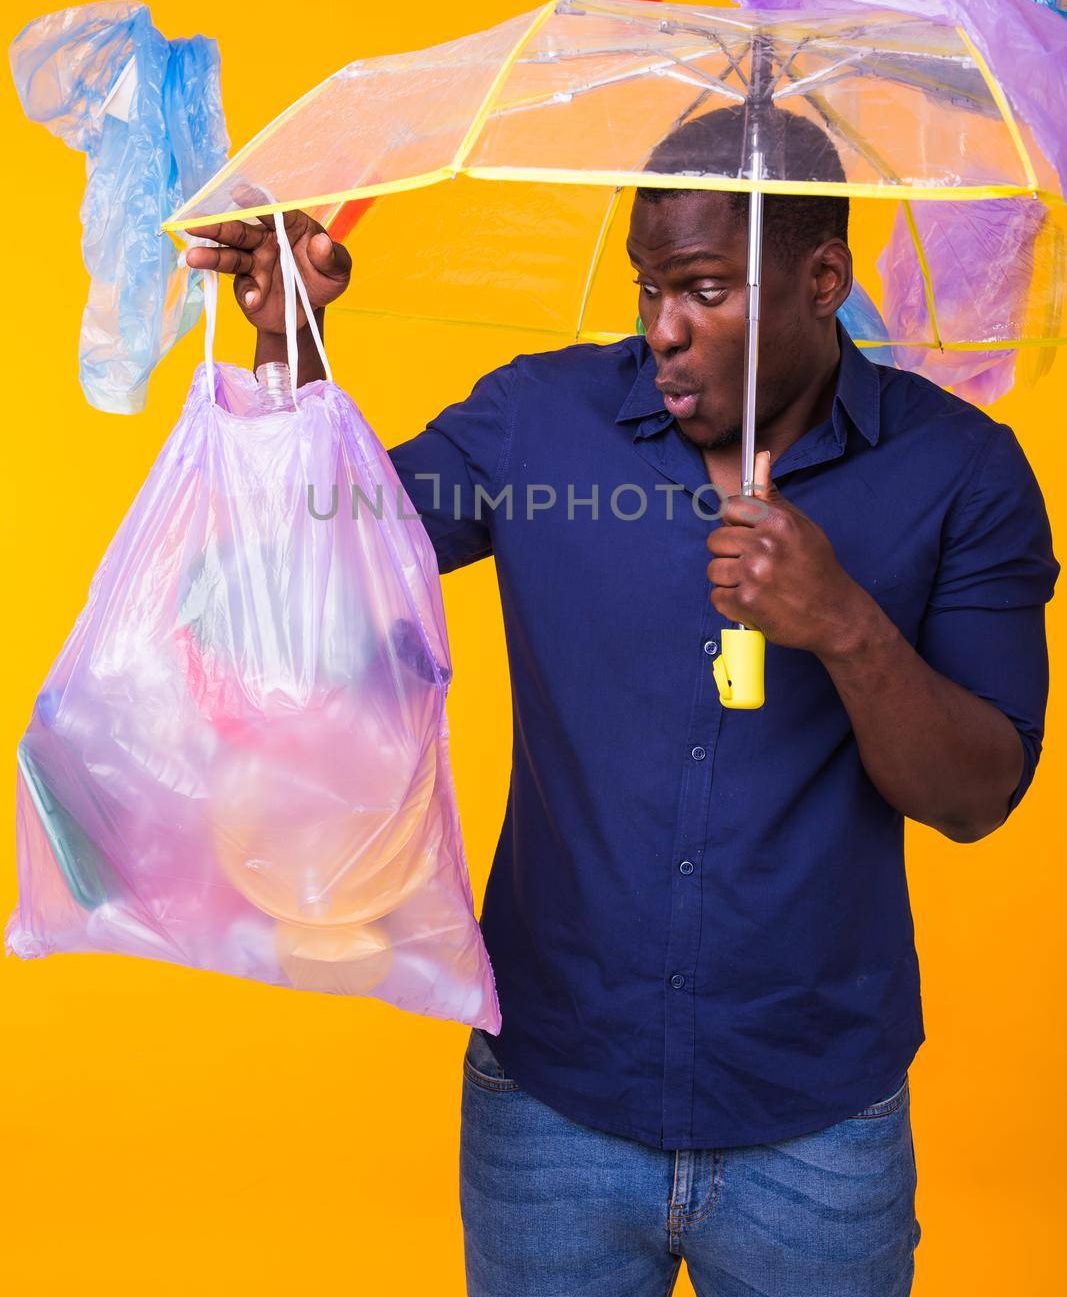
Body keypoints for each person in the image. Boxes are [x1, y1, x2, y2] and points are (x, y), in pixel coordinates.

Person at [185, 105, 1058, 1297]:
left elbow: (975, 795)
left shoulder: (960, 471)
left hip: (816, 1123)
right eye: (650, 286)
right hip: (548, 1104)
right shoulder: (538, 420)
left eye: (702, 290)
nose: (662, 329)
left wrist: (842, 624)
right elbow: (317, 555)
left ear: (820, 279)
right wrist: (293, 341)